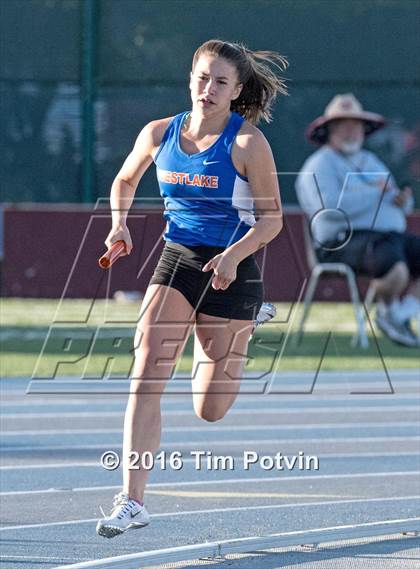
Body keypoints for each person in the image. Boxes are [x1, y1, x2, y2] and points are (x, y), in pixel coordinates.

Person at [96, 39, 287, 538]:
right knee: (146, 369)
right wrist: (119, 225)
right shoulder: (160, 133)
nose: (208, 89)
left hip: (232, 264)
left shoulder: (247, 144)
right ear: (190, 79)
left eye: (220, 82)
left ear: (236, 90)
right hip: (178, 257)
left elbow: (272, 221)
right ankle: (132, 499)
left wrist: (233, 256)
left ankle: (243, 328)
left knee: (210, 409)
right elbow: (124, 179)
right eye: (202, 78)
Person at [295, 93, 420, 347]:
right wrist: (375, 192)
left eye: (356, 126)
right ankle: (392, 314)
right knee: (393, 261)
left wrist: (402, 200)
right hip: (338, 243)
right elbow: (330, 208)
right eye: (343, 126)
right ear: (330, 130)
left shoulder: (369, 160)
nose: (351, 132)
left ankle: (397, 315)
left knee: (399, 249)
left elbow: (397, 199)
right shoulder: (318, 165)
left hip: (386, 238)